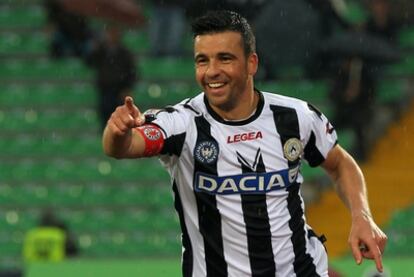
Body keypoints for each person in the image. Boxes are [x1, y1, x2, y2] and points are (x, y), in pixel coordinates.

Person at [103, 10, 387, 276]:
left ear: (252, 62)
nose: (212, 71)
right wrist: (118, 131)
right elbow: (124, 147)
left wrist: (362, 216)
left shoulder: (295, 117)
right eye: (202, 60)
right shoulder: (181, 124)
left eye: (224, 58)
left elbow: (340, 165)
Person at [86, 24, 137, 130]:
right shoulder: (101, 50)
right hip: (105, 89)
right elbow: (89, 62)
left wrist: (127, 87)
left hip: (119, 90)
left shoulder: (124, 53)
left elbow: (132, 72)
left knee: (120, 120)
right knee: (105, 117)